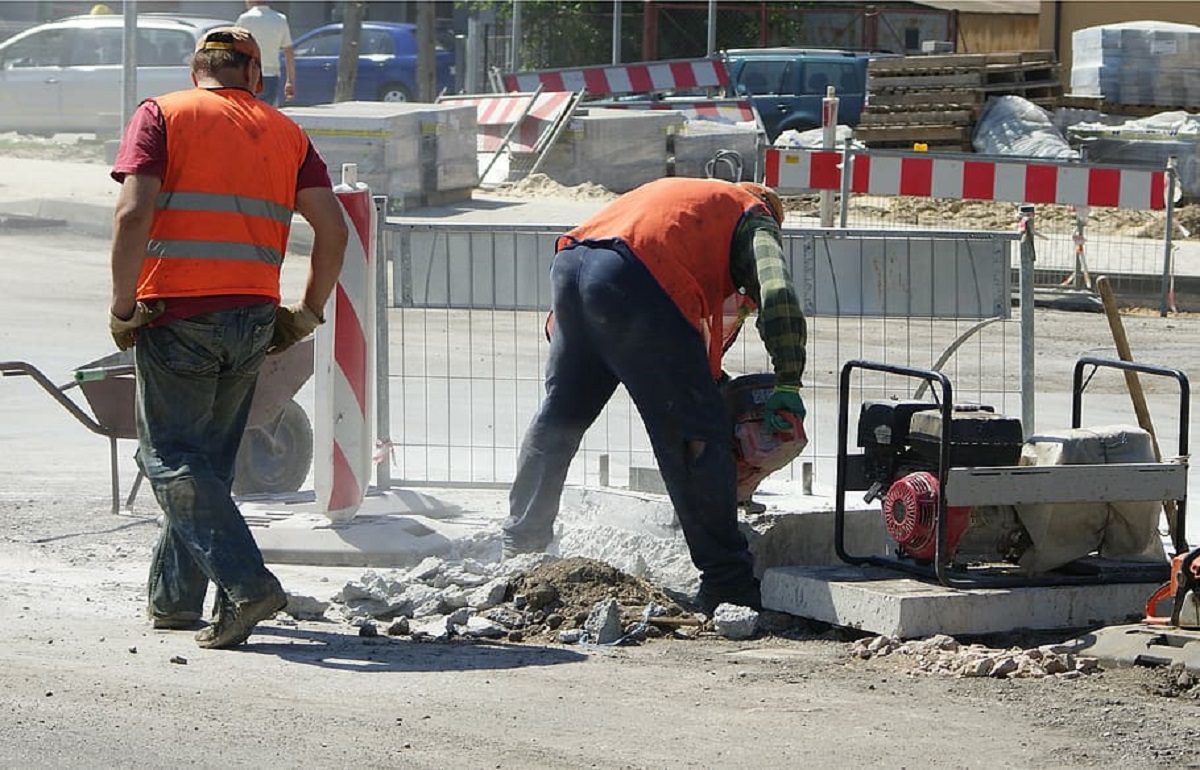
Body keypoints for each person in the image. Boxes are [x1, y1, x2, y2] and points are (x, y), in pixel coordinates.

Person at [107, 26, 347, 649]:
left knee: (166, 458)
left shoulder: (162, 113)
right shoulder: (287, 132)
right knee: (206, 464)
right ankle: (176, 603)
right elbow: (334, 230)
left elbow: (133, 213)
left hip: (178, 313)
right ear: (254, 77)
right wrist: (309, 313)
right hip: (254, 317)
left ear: (197, 71)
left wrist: (123, 304)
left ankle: (247, 585)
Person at [504, 177, 807, 614]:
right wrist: (788, 382)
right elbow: (777, 294)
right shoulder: (753, 216)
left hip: (574, 268)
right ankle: (728, 583)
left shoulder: (685, 207)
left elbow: (689, 343)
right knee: (694, 438)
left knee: (560, 418)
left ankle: (521, 548)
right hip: (639, 275)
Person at [235, 0, 295, 106]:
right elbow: (288, 51)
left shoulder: (245, 19)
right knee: (267, 114)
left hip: (249, 76)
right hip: (271, 76)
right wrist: (290, 81)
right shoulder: (280, 19)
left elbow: (234, 48)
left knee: (249, 114)